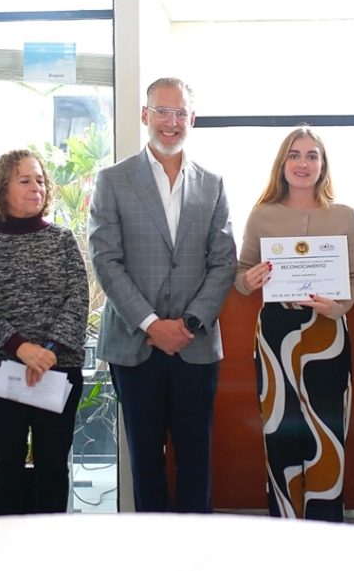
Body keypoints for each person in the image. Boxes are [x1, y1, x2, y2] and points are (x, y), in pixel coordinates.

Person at [88, 77, 237, 512]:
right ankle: (151, 545)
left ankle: (195, 545)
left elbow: (223, 261)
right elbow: (106, 260)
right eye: (162, 112)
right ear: (145, 115)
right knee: (145, 462)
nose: (171, 122)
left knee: (197, 461)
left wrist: (188, 324)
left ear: (192, 119)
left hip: (195, 344)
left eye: (180, 113)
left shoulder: (212, 183)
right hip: (135, 345)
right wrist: (152, 324)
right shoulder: (113, 180)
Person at [234, 126, 354, 521]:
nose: (303, 163)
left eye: (312, 156)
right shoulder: (262, 215)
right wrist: (249, 279)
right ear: (282, 164)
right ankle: (285, 527)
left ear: (323, 165)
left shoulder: (344, 215)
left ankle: (326, 526)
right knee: (279, 431)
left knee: (328, 432)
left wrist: (338, 308)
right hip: (276, 335)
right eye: (294, 155)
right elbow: (240, 277)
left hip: (327, 333)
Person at [0, 149, 89, 515]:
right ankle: (6, 545)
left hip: (57, 369)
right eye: (25, 180)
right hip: (1, 372)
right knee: (7, 470)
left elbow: (77, 299)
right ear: (2, 188)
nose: (37, 187)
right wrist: (22, 349)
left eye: (41, 180)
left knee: (53, 469)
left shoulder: (62, 240)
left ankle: (47, 545)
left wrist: (47, 350)